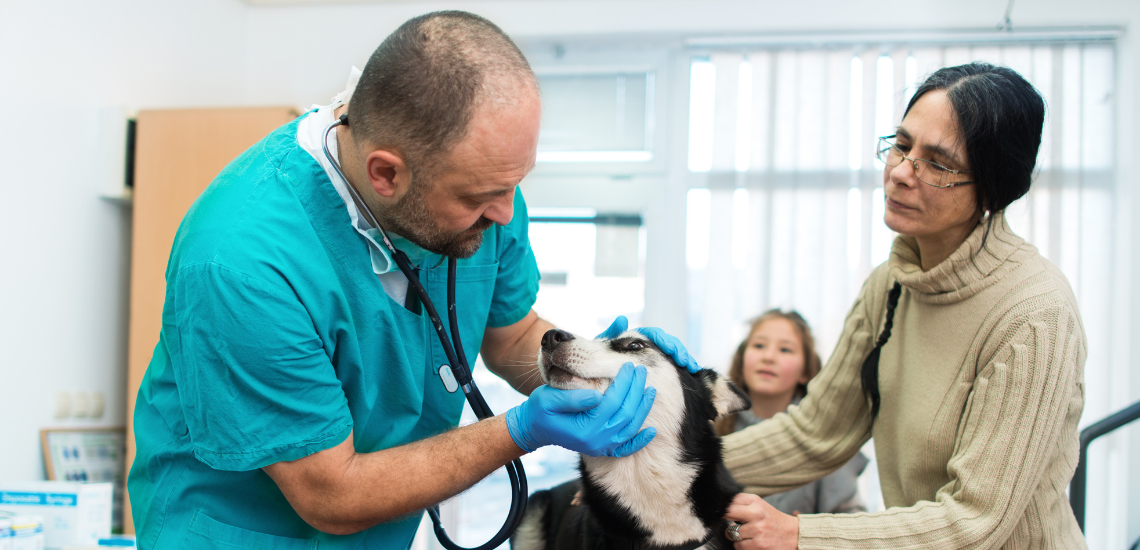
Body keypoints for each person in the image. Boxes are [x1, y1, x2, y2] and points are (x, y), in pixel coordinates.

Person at [127, 12, 699, 549]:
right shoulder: (242, 263)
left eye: (515, 183)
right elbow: (331, 494)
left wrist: (595, 370)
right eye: (481, 197)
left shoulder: (482, 183)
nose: (506, 212)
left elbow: (511, 334)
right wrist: (522, 430)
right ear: (385, 173)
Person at [720, 62, 1087, 549]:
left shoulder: (1033, 316)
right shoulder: (891, 284)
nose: (899, 173)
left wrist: (799, 534)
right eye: (901, 145)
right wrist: (663, 466)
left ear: (994, 186)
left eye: (937, 163)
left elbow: (975, 520)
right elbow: (815, 433)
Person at [715, 310, 867, 516]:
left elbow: (853, 521)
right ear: (742, 361)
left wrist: (803, 533)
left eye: (785, 350)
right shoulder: (709, 427)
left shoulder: (825, 440)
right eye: (759, 345)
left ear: (805, 371)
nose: (768, 357)